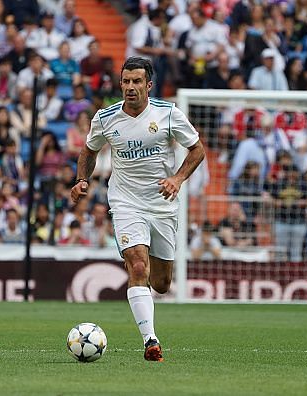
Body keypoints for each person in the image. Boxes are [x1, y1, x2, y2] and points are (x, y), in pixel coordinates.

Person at [70, 57, 205, 361]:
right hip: (126, 202)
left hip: (162, 204)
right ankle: (151, 341)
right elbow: (89, 150)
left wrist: (178, 178)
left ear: (148, 85)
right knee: (138, 267)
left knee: (160, 283)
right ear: (121, 84)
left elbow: (198, 150)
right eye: (126, 81)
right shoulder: (105, 118)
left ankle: (138, 274)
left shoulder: (168, 114)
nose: (130, 87)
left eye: (136, 82)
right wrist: (81, 179)